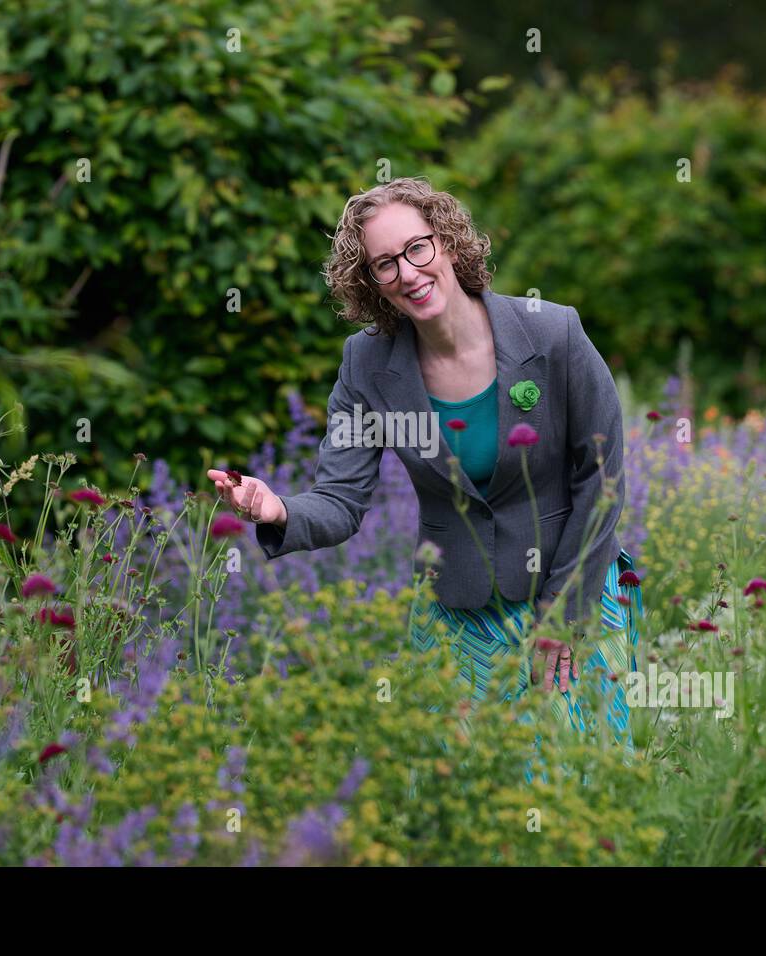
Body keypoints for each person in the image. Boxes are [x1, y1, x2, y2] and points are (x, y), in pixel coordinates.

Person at [207, 176, 643, 774]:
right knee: (457, 797)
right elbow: (339, 496)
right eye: (384, 265)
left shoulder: (552, 332)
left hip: (573, 593)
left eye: (417, 248)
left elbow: (602, 481)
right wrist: (278, 509)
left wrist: (564, 617)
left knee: (577, 788)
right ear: (372, 286)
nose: (408, 273)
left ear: (449, 244)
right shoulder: (367, 364)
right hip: (457, 611)